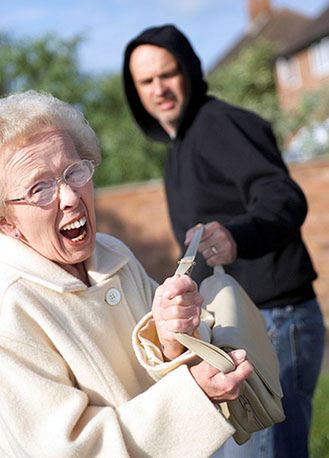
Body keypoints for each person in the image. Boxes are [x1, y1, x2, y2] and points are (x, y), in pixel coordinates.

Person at [0, 90, 253, 458]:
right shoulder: (10, 307)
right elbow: (68, 449)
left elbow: (160, 364)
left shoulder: (112, 252)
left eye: (74, 171)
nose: (70, 197)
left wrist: (172, 338)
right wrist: (192, 397)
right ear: (7, 223)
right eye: (40, 188)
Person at [123, 24, 326, 458]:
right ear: (135, 89)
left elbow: (283, 197)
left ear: (190, 71)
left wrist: (237, 235)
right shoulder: (180, 146)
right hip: (240, 324)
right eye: (146, 80)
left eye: (168, 73)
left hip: (275, 319)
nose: (159, 88)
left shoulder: (220, 125)